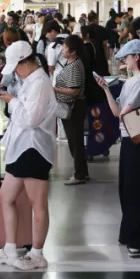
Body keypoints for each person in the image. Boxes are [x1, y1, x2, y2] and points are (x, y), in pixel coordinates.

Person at [0, 40, 58, 270]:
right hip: (21, 147)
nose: (15, 72)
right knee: (6, 196)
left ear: (26, 62)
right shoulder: (30, 80)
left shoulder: (40, 83)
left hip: (34, 148)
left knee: (38, 203)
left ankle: (37, 254)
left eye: (16, 67)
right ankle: (9, 248)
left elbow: (30, 119)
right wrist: (13, 98)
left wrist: (13, 100)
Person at [96, 39, 140, 258]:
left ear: (136, 57)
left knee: (137, 190)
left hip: (139, 141)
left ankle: (137, 239)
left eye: (127, 57)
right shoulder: (132, 81)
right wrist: (106, 89)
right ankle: (130, 233)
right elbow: (116, 112)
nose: (124, 61)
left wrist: (114, 89)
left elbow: (124, 112)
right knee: (128, 188)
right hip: (130, 139)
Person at [55, 35, 87, 185]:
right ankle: (82, 171)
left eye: (65, 47)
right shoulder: (68, 62)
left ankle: (79, 174)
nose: (62, 49)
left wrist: (55, 89)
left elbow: (74, 91)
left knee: (76, 141)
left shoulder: (75, 66)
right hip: (67, 106)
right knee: (73, 141)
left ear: (73, 51)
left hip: (74, 107)